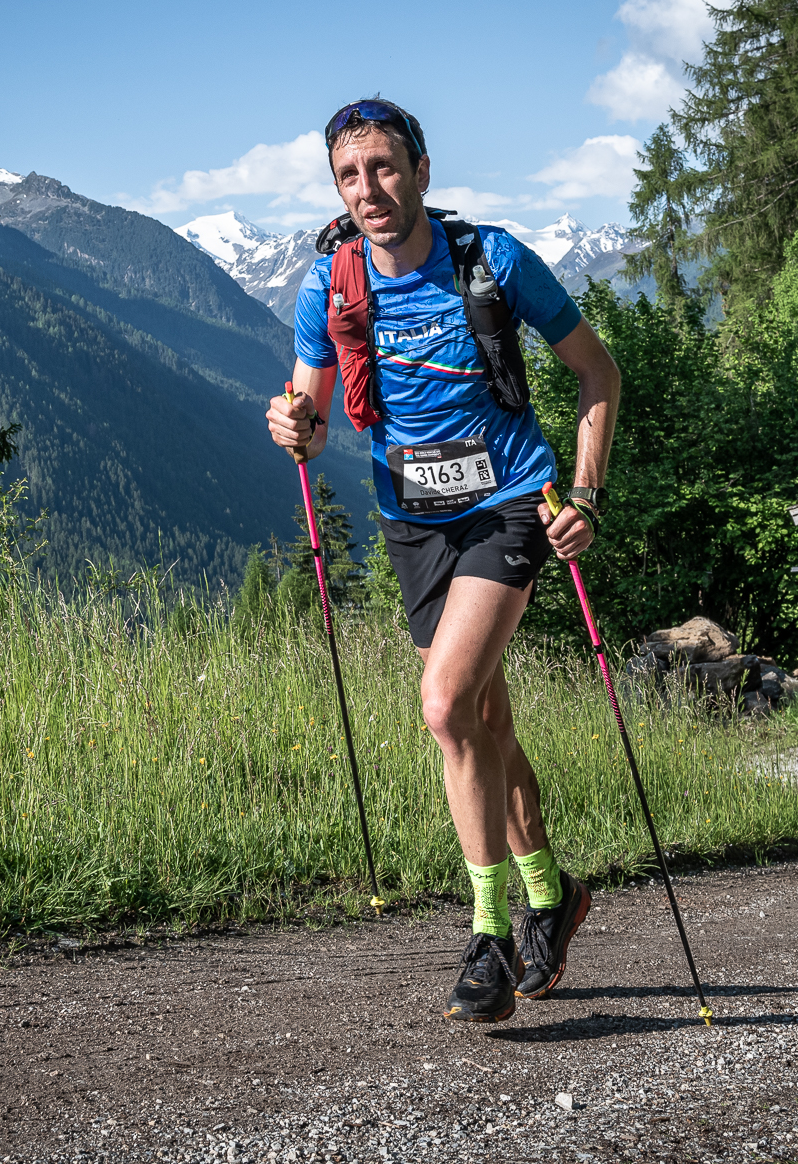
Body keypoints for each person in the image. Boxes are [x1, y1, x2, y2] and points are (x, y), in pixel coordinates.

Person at [265, 98, 622, 1024]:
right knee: (484, 716)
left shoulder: (492, 260)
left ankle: (488, 935)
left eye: (384, 167)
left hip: (509, 503)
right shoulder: (330, 283)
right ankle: (553, 894)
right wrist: (292, 424)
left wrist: (585, 495)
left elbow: (598, 372)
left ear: (422, 170)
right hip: (412, 522)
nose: (370, 189)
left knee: (442, 704)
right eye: (350, 175)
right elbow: (311, 415)